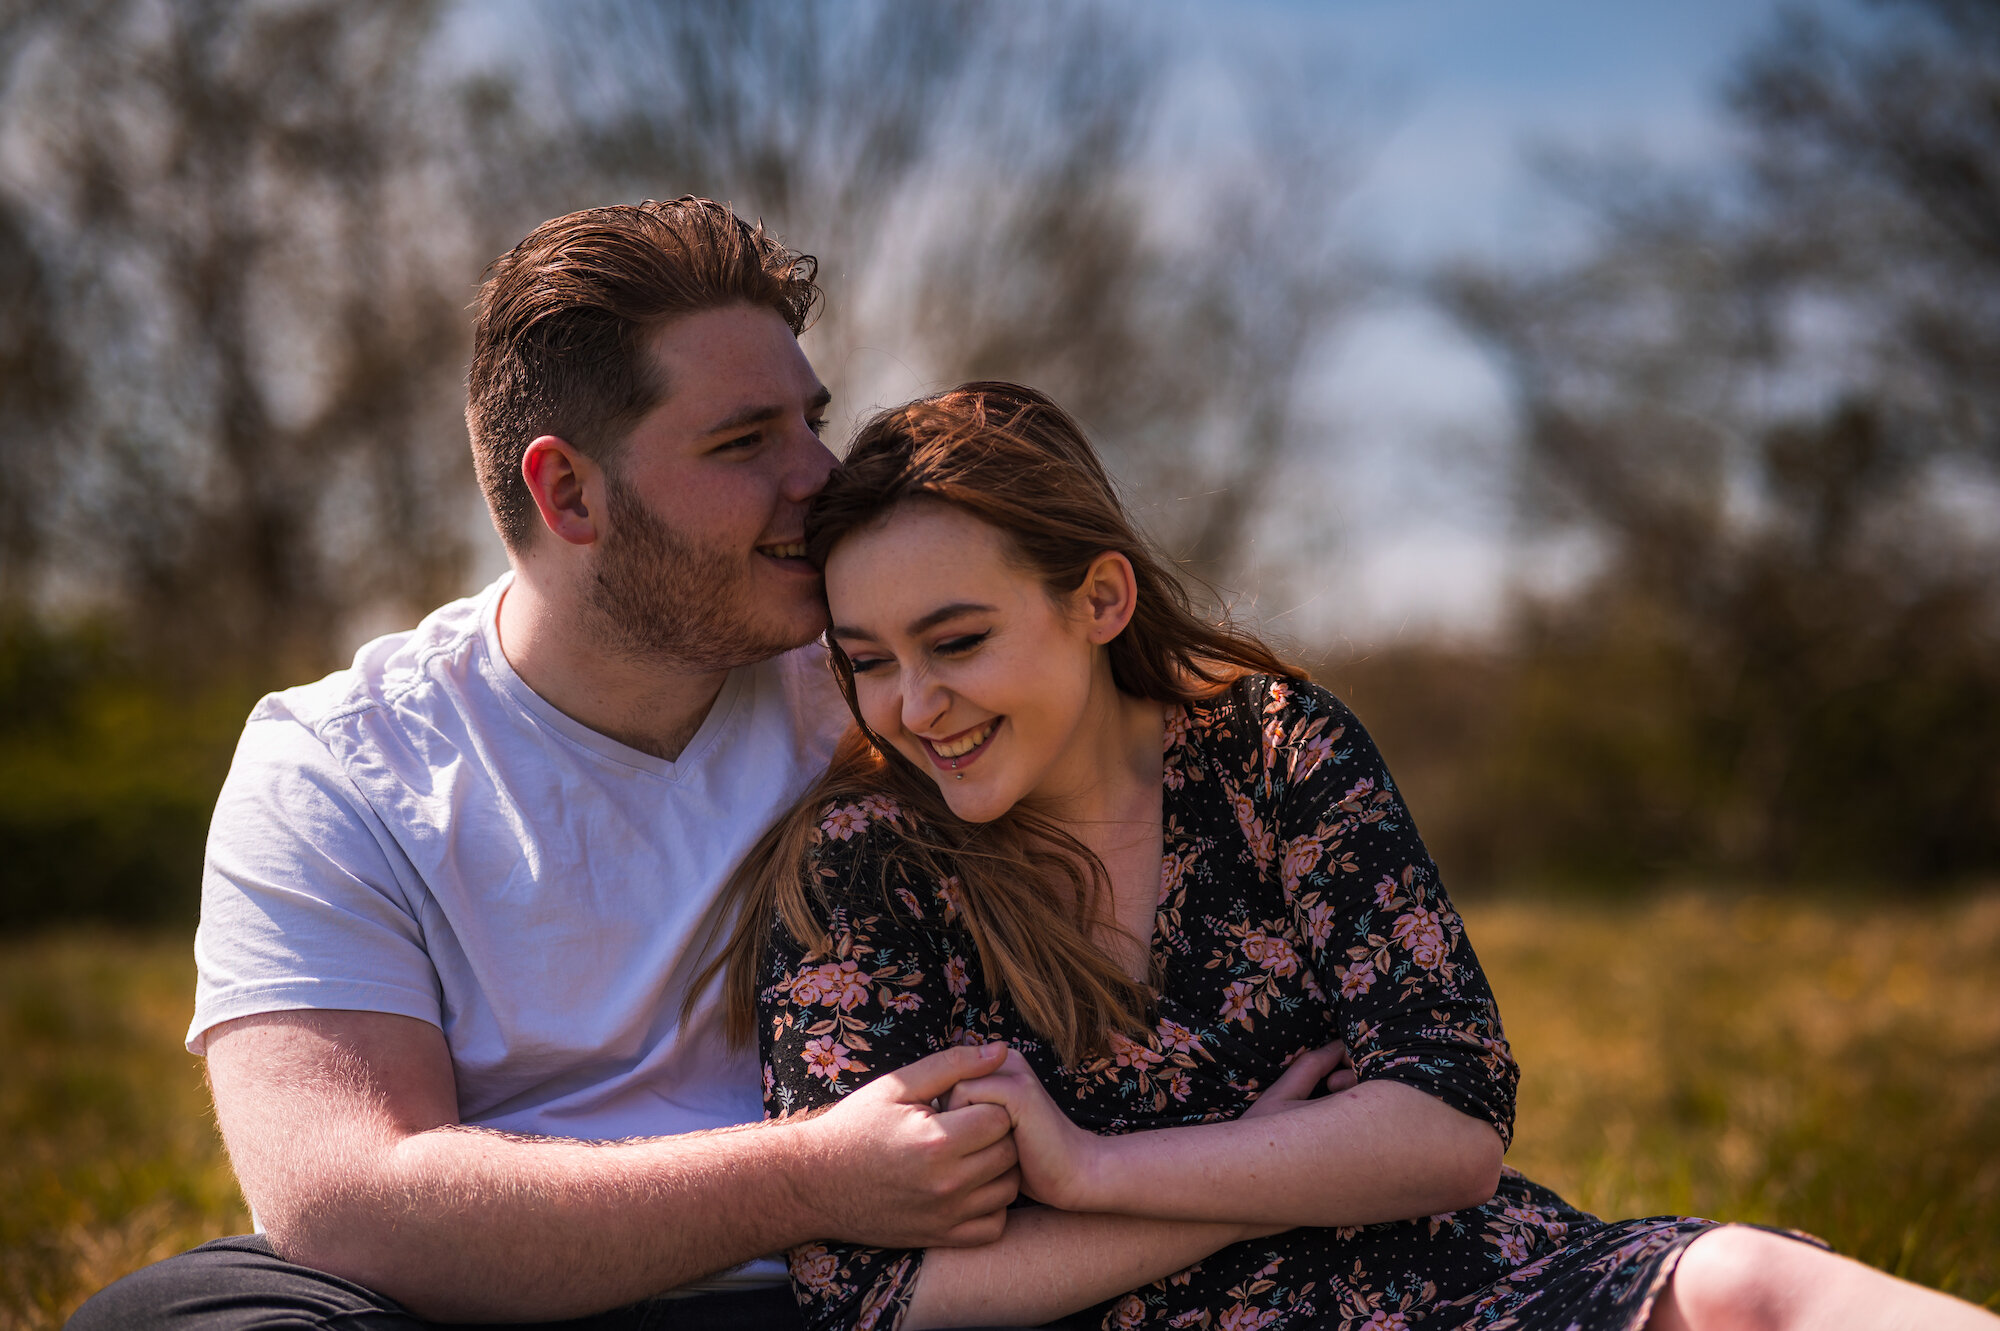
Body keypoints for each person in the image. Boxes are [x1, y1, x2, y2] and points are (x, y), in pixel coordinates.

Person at [721, 381, 2000, 1331]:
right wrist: (1257, 1181)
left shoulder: (1272, 754)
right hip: (1123, 1321)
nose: (911, 704)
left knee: (1748, 1286)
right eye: (868, 660)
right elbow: (877, 1293)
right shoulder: (863, 866)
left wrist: (1096, 1168)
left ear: (1098, 601)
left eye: (955, 640)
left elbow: (1448, 1124)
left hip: (1434, 1276)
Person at [66, 200, 1032, 1331]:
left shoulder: (894, 689)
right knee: (169, 1318)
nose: (821, 474)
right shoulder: (338, 768)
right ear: (567, 492)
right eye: (744, 441)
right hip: (503, 1298)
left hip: (852, 1290)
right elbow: (347, 1202)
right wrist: (810, 1174)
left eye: (809, 422)